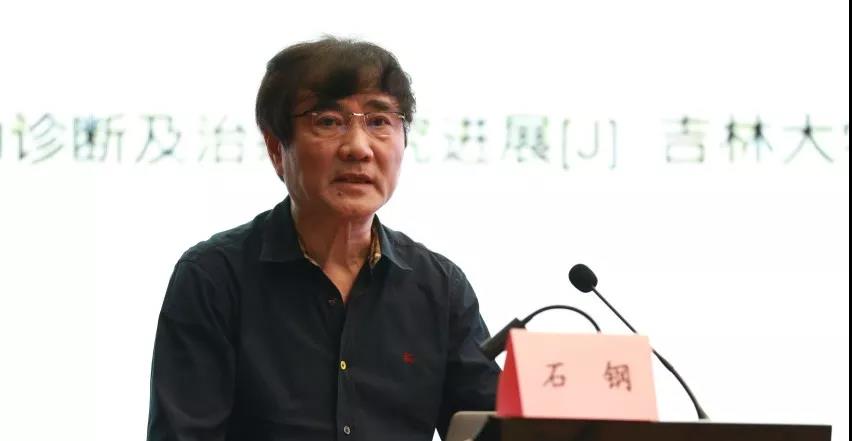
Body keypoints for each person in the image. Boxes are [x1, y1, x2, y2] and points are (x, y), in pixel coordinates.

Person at [146, 36, 500, 440]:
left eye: (379, 121)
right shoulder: (213, 278)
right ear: (276, 148)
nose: (358, 148)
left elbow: (494, 426)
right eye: (329, 121)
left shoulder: (438, 286)